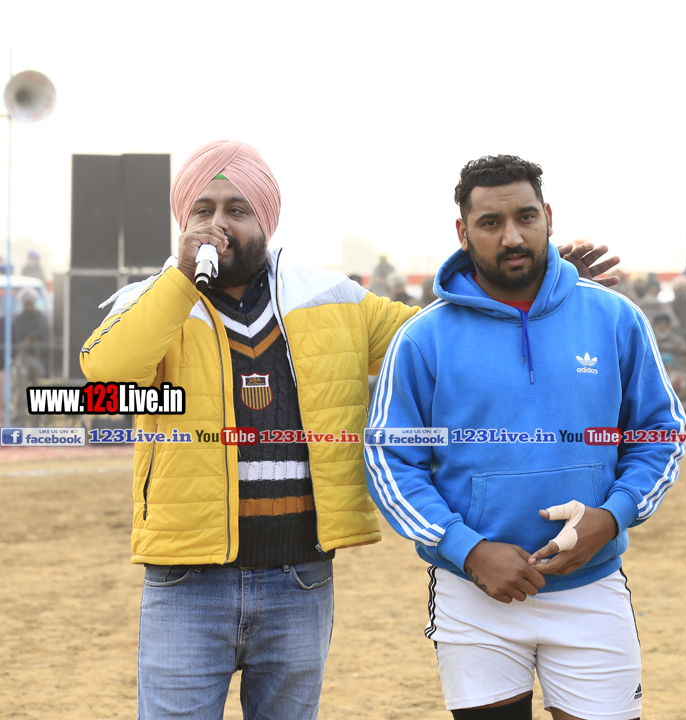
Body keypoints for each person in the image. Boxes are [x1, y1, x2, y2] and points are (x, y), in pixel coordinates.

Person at [80, 140, 617, 720]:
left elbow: (441, 343)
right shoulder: (153, 303)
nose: (219, 224)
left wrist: (534, 291)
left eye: (237, 209)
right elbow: (106, 376)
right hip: (185, 581)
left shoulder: (329, 296)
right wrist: (182, 280)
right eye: (202, 211)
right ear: (182, 222)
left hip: (299, 579)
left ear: (266, 218)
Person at [366, 154, 683, 720]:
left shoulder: (614, 318)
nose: (512, 236)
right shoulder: (423, 339)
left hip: (591, 586)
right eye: (490, 222)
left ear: (549, 218)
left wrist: (611, 517)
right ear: (463, 232)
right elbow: (391, 462)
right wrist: (469, 550)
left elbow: (659, 433)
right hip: (474, 593)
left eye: (525, 217)